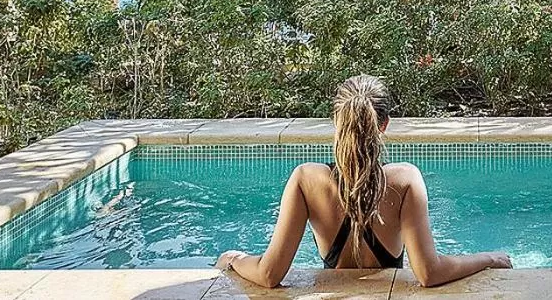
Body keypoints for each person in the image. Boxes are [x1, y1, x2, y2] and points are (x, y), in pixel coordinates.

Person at [216, 74, 512, 288]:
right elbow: (429, 273)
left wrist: (235, 259)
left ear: (336, 122)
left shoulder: (306, 180)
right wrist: (488, 258)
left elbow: (269, 274)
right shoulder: (406, 180)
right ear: (384, 125)